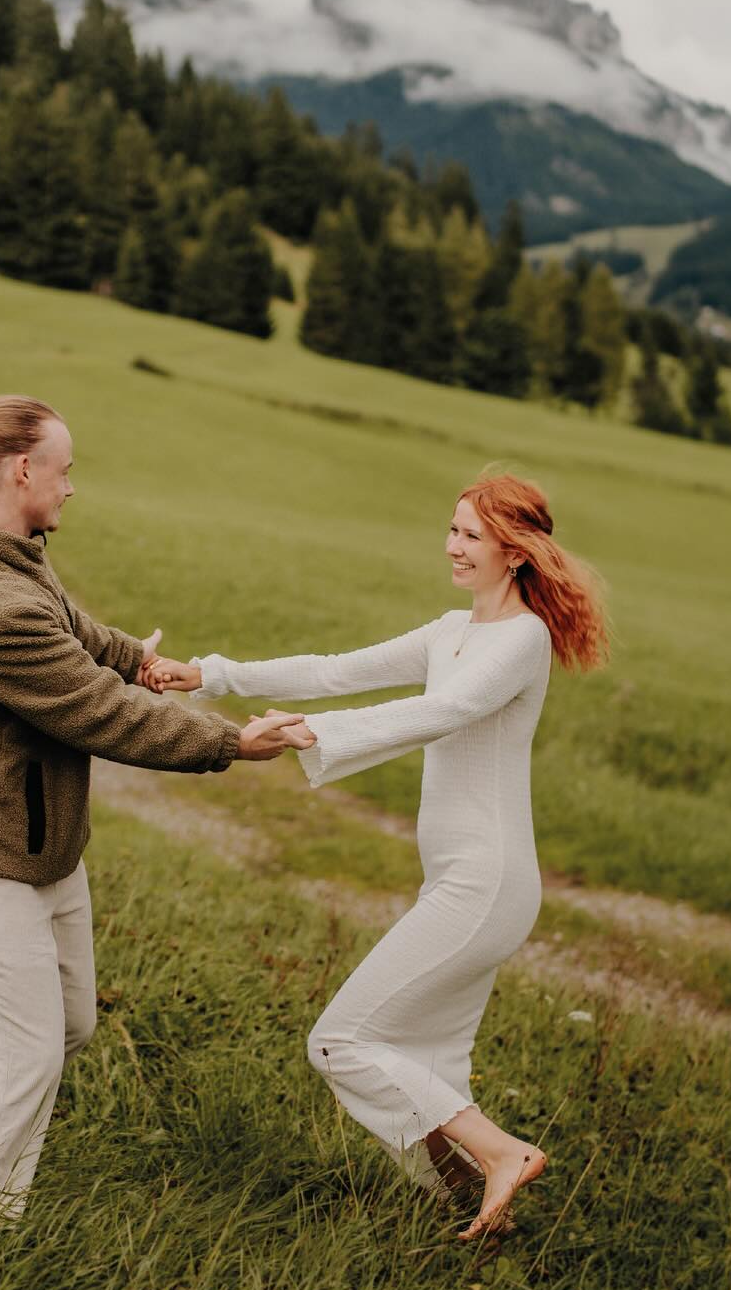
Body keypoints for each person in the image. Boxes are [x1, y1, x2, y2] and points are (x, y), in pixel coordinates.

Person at [146, 473, 607, 1240]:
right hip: (465, 883)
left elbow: (447, 710)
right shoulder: (449, 632)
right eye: (452, 529)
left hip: (485, 885)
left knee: (341, 1041)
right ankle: (474, 1218)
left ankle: (504, 1154)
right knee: (426, 1062)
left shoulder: (521, 640)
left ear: (516, 553)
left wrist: (320, 733)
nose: (454, 546)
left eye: (472, 535)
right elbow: (334, 669)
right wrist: (209, 675)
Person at [0, 396, 310, 1226]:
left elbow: (71, 627)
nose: (71, 487)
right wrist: (229, 745)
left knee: (68, 1023)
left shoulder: (7, 546)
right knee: (25, 1053)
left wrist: (137, 659)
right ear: (22, 471)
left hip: (37, 843)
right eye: (65, 470)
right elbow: (101, 713)